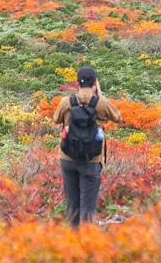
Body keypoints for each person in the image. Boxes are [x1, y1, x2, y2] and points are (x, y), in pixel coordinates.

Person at [51, 66, 122, 227]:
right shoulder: (101, 104)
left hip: (67, 158)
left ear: (77, 83)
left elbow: (55, 120)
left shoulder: (66, 102)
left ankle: (72, 243)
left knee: (72, 204)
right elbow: (118, 117)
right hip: (91, 161)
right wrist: (100, 96)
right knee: (88, 207)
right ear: (95, 82)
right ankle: (86, 244)